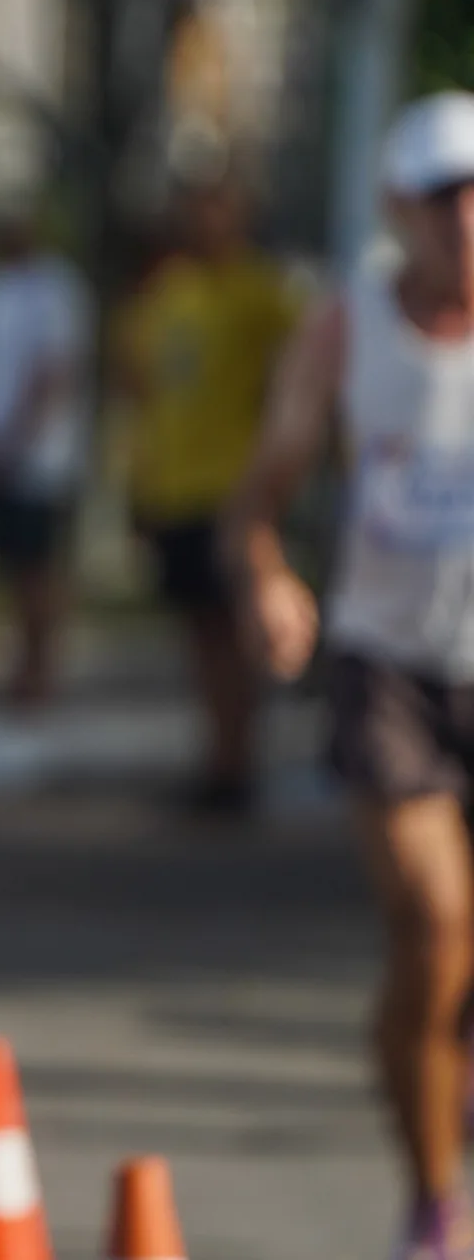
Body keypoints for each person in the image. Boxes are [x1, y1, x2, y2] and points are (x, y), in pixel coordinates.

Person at [225, 93, 474, 1260]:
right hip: (388, 666)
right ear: (398, 210)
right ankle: (433, 1204)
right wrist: (270, 581)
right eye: (441, 198)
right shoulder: (343, 330)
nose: (465, 220)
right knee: (431, 929)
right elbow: (256, 505)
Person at [119, 179, 301, 814]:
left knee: (235, 631)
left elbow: (298, 377)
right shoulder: (168, 295)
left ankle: (237, 762)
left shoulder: (261, 293)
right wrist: (138, 484)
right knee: (201, 633)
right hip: (175, 487)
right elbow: (143, 391)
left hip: (232, 488)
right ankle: (218, 757)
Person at [0, 208, 93, 706]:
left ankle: (40, 673)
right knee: (9, 567)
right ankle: (17, 669)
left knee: (40, 568)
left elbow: (55, 370)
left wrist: (16, 438)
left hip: (41, 457)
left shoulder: (56, 287)